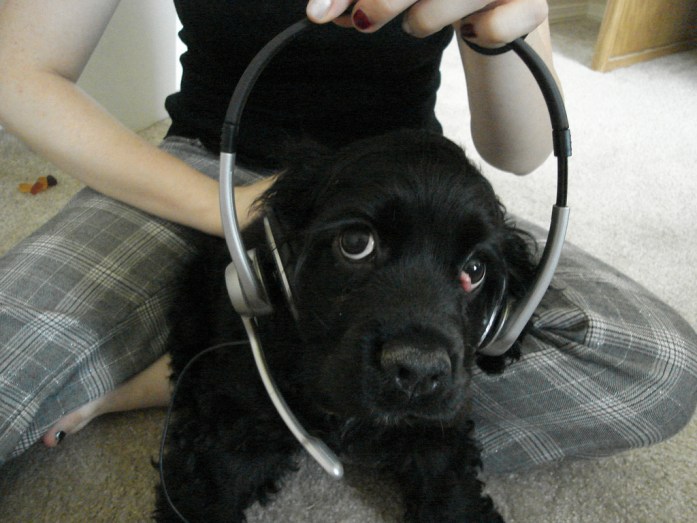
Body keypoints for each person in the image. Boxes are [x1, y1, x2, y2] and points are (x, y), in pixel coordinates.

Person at [0, 0, 695, 473]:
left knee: (657, 369)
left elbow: (520, 150)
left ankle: (224, 381)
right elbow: (17, 68)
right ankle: (281, 384)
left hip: (398, 189)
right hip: (209, 167)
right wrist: (223, 207)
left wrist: (500, 27)